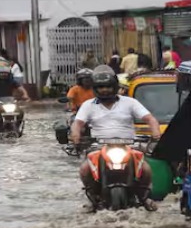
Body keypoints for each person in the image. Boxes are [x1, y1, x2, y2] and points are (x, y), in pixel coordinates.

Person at [69, 65, 161, 211]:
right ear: (95, 89)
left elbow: (150, 119)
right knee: (85, 169)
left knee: (146, 169)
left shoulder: (130, 102)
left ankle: (144, 198)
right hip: (98, 146)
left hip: (130, 145)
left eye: (108, 87)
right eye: (101, 87)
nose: (104, 90)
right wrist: (75, 136)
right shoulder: (88, 105)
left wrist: (156, 134)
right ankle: (93, 199)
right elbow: (78, 123)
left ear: (115, 87)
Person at [0, 66, 30, 137]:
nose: (3, 75)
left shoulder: (12, 81)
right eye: (1, 73)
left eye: (5, 73)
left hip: (9, 102)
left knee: (20, 112)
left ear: (9, 74)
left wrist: (25, 95)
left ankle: (17, 127)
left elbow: (21, 89)